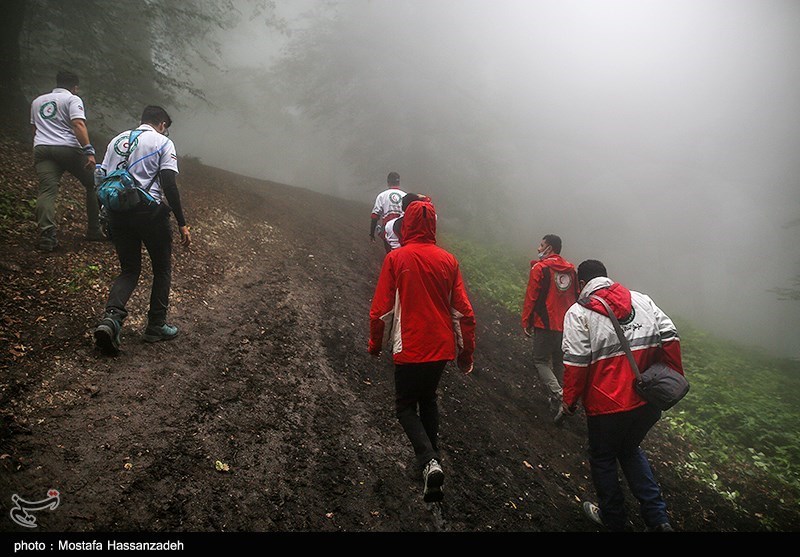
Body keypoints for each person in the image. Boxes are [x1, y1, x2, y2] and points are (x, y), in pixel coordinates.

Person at [560, 259, 684, 532]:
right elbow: (670, 336)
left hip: (608, 407)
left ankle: (613, 519)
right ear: (605, 277)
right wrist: (671, 375)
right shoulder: (642, 300)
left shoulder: (578, 314)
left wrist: (569, 402)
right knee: (629, 449)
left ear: (581, 284)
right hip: (648, 399)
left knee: (603, 457)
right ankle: (658, 519)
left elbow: (576, 365)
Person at [368, 198, 475, 504]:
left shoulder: (397, 259)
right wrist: (465, 354)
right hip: (440, 347)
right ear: (433, 225)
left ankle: (428, 460)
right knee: (427, 398)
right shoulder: (448, 260)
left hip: (410, 345)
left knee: (404, 406)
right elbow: (463, 312)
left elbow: (380, 311)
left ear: (408, 224)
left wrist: (376, 344)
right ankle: (430, 461)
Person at [93, 106, 191, 356]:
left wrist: (104, 213)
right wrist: (182, 221)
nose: (165, 130)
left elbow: (102, 178)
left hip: (117, 212)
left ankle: (111, 319)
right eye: (165, 126)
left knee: (129, 269)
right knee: (161, 268)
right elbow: (169, 184)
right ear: (161, 124)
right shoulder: (162, 142)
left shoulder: (117, 139)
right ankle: (155, 326)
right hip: (150, 214)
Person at [30, 70, 103, 251]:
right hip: (67, 148)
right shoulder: (72, 99)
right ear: (74, 87)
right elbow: (78, 124)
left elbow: (34, 128)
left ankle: (47, 235)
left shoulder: (37, 101)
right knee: (93, 184)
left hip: (42, 148)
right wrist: (89, 151)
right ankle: (94, 230)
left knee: (47, 191)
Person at [521, 234, 579, 424]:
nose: (538, 249)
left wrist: (526, 321)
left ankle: (560, 396)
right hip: (567, 326)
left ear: (550, 248)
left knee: (540, 361)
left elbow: (532, 296)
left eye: (541, 245)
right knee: (559, 362)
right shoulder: (571, 271)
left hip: (545, 323)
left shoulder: (541, 268)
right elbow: (577, 297)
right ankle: (558, 404)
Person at [369, 171, 406, 253]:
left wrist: (372, 234)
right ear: (399, 182)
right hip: (403, 230)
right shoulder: (405, 195)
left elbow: (375, 216)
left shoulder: (382, 195)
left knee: (390, 254)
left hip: (387, 229)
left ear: (388, 182)